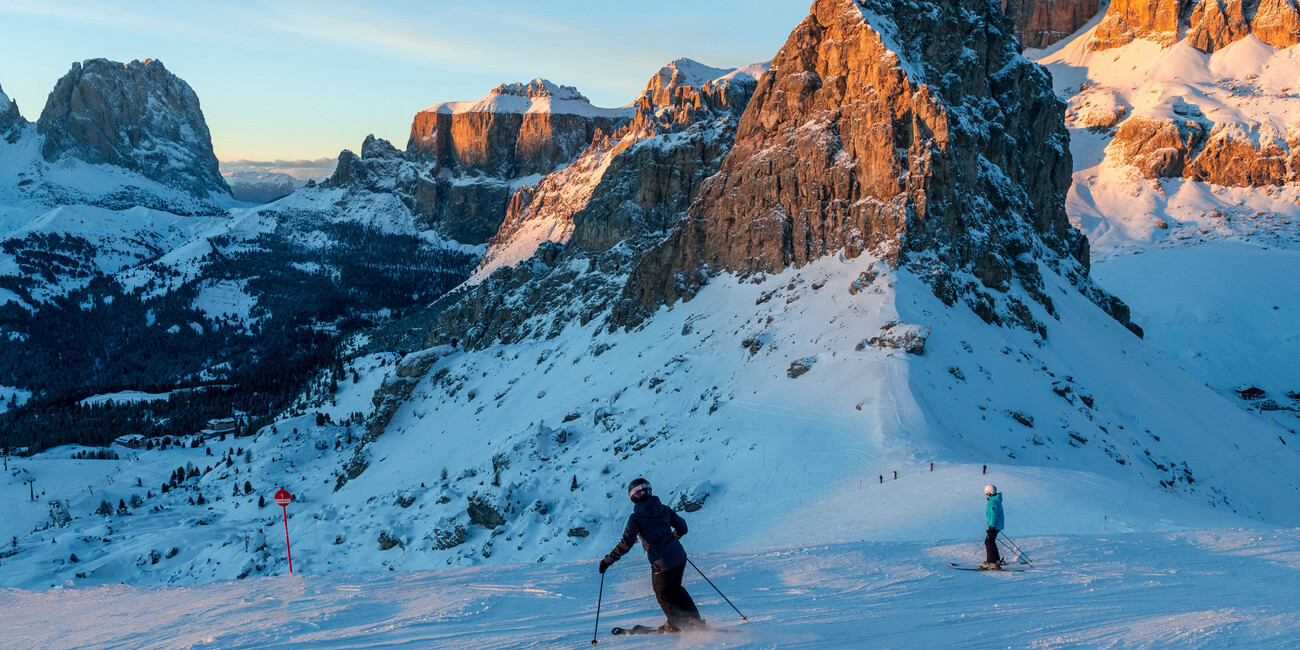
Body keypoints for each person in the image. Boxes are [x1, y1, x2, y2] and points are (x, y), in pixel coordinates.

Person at [599, 478, 703, 633]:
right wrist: (673, 538)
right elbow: (682, 527)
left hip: (662, 563)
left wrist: (607, 561)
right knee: (676, 588)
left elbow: (626, 544)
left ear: (633, 498)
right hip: (679, 556)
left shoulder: (636, 518)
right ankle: (695, 622)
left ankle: (676, 625)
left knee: (662, 592)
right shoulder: (664, 508)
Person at [983, 484, 1004, 569]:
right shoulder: (995, 500)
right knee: (991, 541)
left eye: (986, 493)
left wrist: (991, 527)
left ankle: (991, 562)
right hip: (996, 525)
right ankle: (996, 560)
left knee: (988, 542)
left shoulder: (992, 502)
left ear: (988, 492)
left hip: (995, 525)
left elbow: (993, 515)